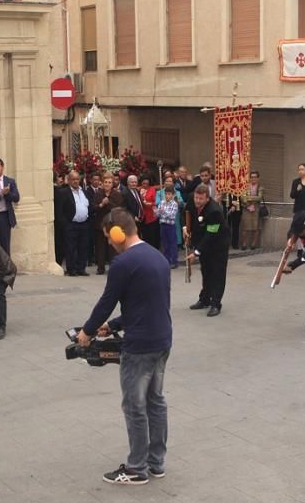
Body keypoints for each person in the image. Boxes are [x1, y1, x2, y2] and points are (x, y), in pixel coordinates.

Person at [77, 209, 171, 485]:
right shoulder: (158, 257)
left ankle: (136, 468)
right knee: (156, 401)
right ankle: (156, 463)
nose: (108, 243)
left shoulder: (123, 263)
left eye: (108, 237)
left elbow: (106, 301)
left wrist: (87, 331)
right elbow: (145, 303)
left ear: (118, 232)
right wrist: (114, 325)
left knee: (134, 405)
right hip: (162, 339)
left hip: (140, 345)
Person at [185, 184, 231, 317]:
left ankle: (216, 304)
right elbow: (187, 214)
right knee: (206, 272)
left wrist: (196, 252)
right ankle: (204, 299)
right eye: (196, 198)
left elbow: (211, 234)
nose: (197, 201)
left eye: (201, 199)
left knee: (217, 274)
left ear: (207, 198)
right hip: (203, 243)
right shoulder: (191, 201)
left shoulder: (214, 211)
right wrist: (185, 229)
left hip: (218, 245)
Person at [58, 170, 91, 276]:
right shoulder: (63, 192)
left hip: (84, 224)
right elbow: (60, 210)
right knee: (71, 248)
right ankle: (71, 269)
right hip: (71, 224)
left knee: (83, 247)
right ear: (68, 180)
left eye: (77, 179)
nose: (76, 181)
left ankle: (81, 268)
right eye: (73, 179)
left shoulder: (84, 191)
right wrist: (65, 224)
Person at [93, 173, 124, 274]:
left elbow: (118, 208)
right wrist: (101, 204)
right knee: (100, 247)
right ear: (102, 183)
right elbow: (94, 208)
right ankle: (100, 268)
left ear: (112, 184)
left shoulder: (117, 194)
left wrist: (108, 203)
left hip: (113, 224)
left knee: (113, 248)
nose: (107, 184)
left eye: (109, 182)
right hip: (100, 224)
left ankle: (113, 267)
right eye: (105, 182)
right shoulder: (98, 194)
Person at [157, 185, 181, 268]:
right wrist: (157, 212)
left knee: (172, 244)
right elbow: (158, 215)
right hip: (162, 225)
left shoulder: (174, 204)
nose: (167, 196)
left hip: (170, 226)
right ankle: (167, 261)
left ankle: (174, 261)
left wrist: (163, 212)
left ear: (173, 195)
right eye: (166, 194)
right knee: (164, 244)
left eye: (169, 194)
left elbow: (172, 216)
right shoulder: (162, 202)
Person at [240, 171, 265, 250]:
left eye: (255, 177)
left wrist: (249, 198)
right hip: (246, 208)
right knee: (245, 227)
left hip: (256, 209)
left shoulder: (260, 187)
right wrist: (248, 202)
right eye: (252, 177)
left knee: (255, 227)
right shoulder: (245, 186)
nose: (253, 179)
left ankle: (253, 244)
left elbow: (259, 197)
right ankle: (244, 243)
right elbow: (242, 197)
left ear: (258, 178)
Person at [140, 176, 160, 249]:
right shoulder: (139, 190)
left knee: (153, 236)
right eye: (143, 183)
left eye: (147, 183)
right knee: (145, 236)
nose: (145, 185)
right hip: (143, 217)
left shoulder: (152, 190)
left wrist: (149, 204)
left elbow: (155, 202)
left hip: (151, 216)